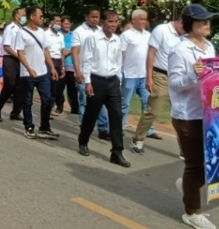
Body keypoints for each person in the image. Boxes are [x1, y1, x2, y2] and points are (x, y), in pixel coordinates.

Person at [168, 3, 219, 229]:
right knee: (194, 165)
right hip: (187, 115)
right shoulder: (180, 51)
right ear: (191, 25)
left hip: (208, 113)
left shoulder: (209, 46)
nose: (207, 24)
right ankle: (192, 212)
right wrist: (192, 74)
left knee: (213, 162)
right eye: (202, 21)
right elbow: (175, 84)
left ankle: (188, 187)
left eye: (208, 20)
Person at [79, 11, 129, 167]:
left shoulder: (117, 40)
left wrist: (119, 81)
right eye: (110, 21)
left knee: (116, 115)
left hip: (113, 82)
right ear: (102, 22)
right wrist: (87, 82)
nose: (113, 25)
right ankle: (83, 141)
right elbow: (86, 60)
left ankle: (117, 152)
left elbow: (119, 62)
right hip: (96, 81)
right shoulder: (92, 38)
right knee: (91, 114)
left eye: (115, 22)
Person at [138, 9, 185, 157]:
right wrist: (149, 77)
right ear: (181, 21)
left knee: (182, 114)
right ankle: (138, 139)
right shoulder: (162, 30)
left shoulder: (188, 35)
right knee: (154, 110)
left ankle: (184, 149)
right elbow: (151, 54)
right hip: (161, 75)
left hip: (179, 77)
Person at [16, 7, 59, 139]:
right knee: (28, 101)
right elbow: (20, 53)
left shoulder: (41, 32)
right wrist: (29, 68)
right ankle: (28, 127)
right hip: (27, 73)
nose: (42, 18)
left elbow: (46, 50)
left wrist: (52, 68)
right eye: (40, 16)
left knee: (47, 99)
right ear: (32, 17)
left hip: (42, 72)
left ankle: (44, 128)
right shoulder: (22, 33)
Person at [121, 9, 156, 154]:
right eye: (141, 19)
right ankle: (120, 127)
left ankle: (148, 129)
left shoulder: (149, 35)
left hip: (145, 75)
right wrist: (120, 74)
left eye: (145, 19)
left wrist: (151, 75)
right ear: (134, 20)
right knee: (125, 103)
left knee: (148, 103)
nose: (144, 22)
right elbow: (121, 54)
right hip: (129, 74)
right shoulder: (126, 35)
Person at [72, 9, 107, 135]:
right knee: (85, 100)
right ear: (86, 17)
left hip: (98, 72)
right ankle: (84, 125)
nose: (94, 19)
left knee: (100, 100)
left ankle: (103, 128)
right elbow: (75, 52)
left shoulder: (101, 31)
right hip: (83, 71)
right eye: (92, 16)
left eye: (97, 17)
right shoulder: (79, 32)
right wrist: (77, 71)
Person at [0, 7, 28, 123]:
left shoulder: (23, 29)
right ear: (17, 16)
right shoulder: (10, 28)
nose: (25, 16)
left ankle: (16, 113)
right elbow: (6, 46)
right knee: (10, 85)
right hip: (10, 59)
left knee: (20, 86)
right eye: (23, 14)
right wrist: (18, 56)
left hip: (21, 60)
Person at [45, 15, 66, 117]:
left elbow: (62, 52)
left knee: (54, 87)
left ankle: (50, 108)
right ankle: (46, 109)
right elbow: (44, 51)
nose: (58, 23)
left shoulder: (60, 35)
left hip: (58, 62)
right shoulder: (45, 34)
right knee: (48, 86)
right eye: (56, 21)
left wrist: (63, 67)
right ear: (51, 22)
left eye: (59, 22)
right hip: (48, 61)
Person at [59, 15, 78, 115]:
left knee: (72, 88)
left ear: (71, 24)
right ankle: (59, 106)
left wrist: (69, 51)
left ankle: (75, 108)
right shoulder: (57, 34)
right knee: (59, 87)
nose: (66, 25)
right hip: (60, 64)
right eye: (64, 23)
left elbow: (79, 47)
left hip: (71, 65)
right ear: (61, 24)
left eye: (68, 24)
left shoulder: (74, 35)